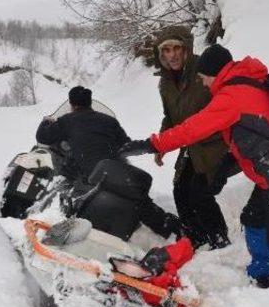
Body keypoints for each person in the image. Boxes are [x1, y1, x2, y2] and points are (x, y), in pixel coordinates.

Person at [119, 44, 269, 288]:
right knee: (253, 219)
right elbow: (250, 135)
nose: (202, 82)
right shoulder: (245, 82)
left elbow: (191, 129)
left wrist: (152, 144)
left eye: (202, 77)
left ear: (213, 73)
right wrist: (223, 168)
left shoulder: (231, 95)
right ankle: (260, 274)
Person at [36, 86, 182, 241]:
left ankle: (65, 234)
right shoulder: (109, 121)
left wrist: (46, 121)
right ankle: (177, 231)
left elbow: (43, 137)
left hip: (88, 177)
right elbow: (125, 144)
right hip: (115, 174)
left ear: (72, 105)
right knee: (143, 204)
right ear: (90, 102)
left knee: (69, 201)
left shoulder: (66, 121)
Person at [152, 26, 231, 250]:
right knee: (180, 190)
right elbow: (170, 116)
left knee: (199, 193)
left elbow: (226, 101)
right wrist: (162, 143)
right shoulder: (165, 82)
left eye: (177, 48)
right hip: (191, 144)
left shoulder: (203, 69)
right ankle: (196, 239)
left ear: (186, 48)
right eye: (166, 50)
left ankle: (219, 241)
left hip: (215, 142)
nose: (172, 54)